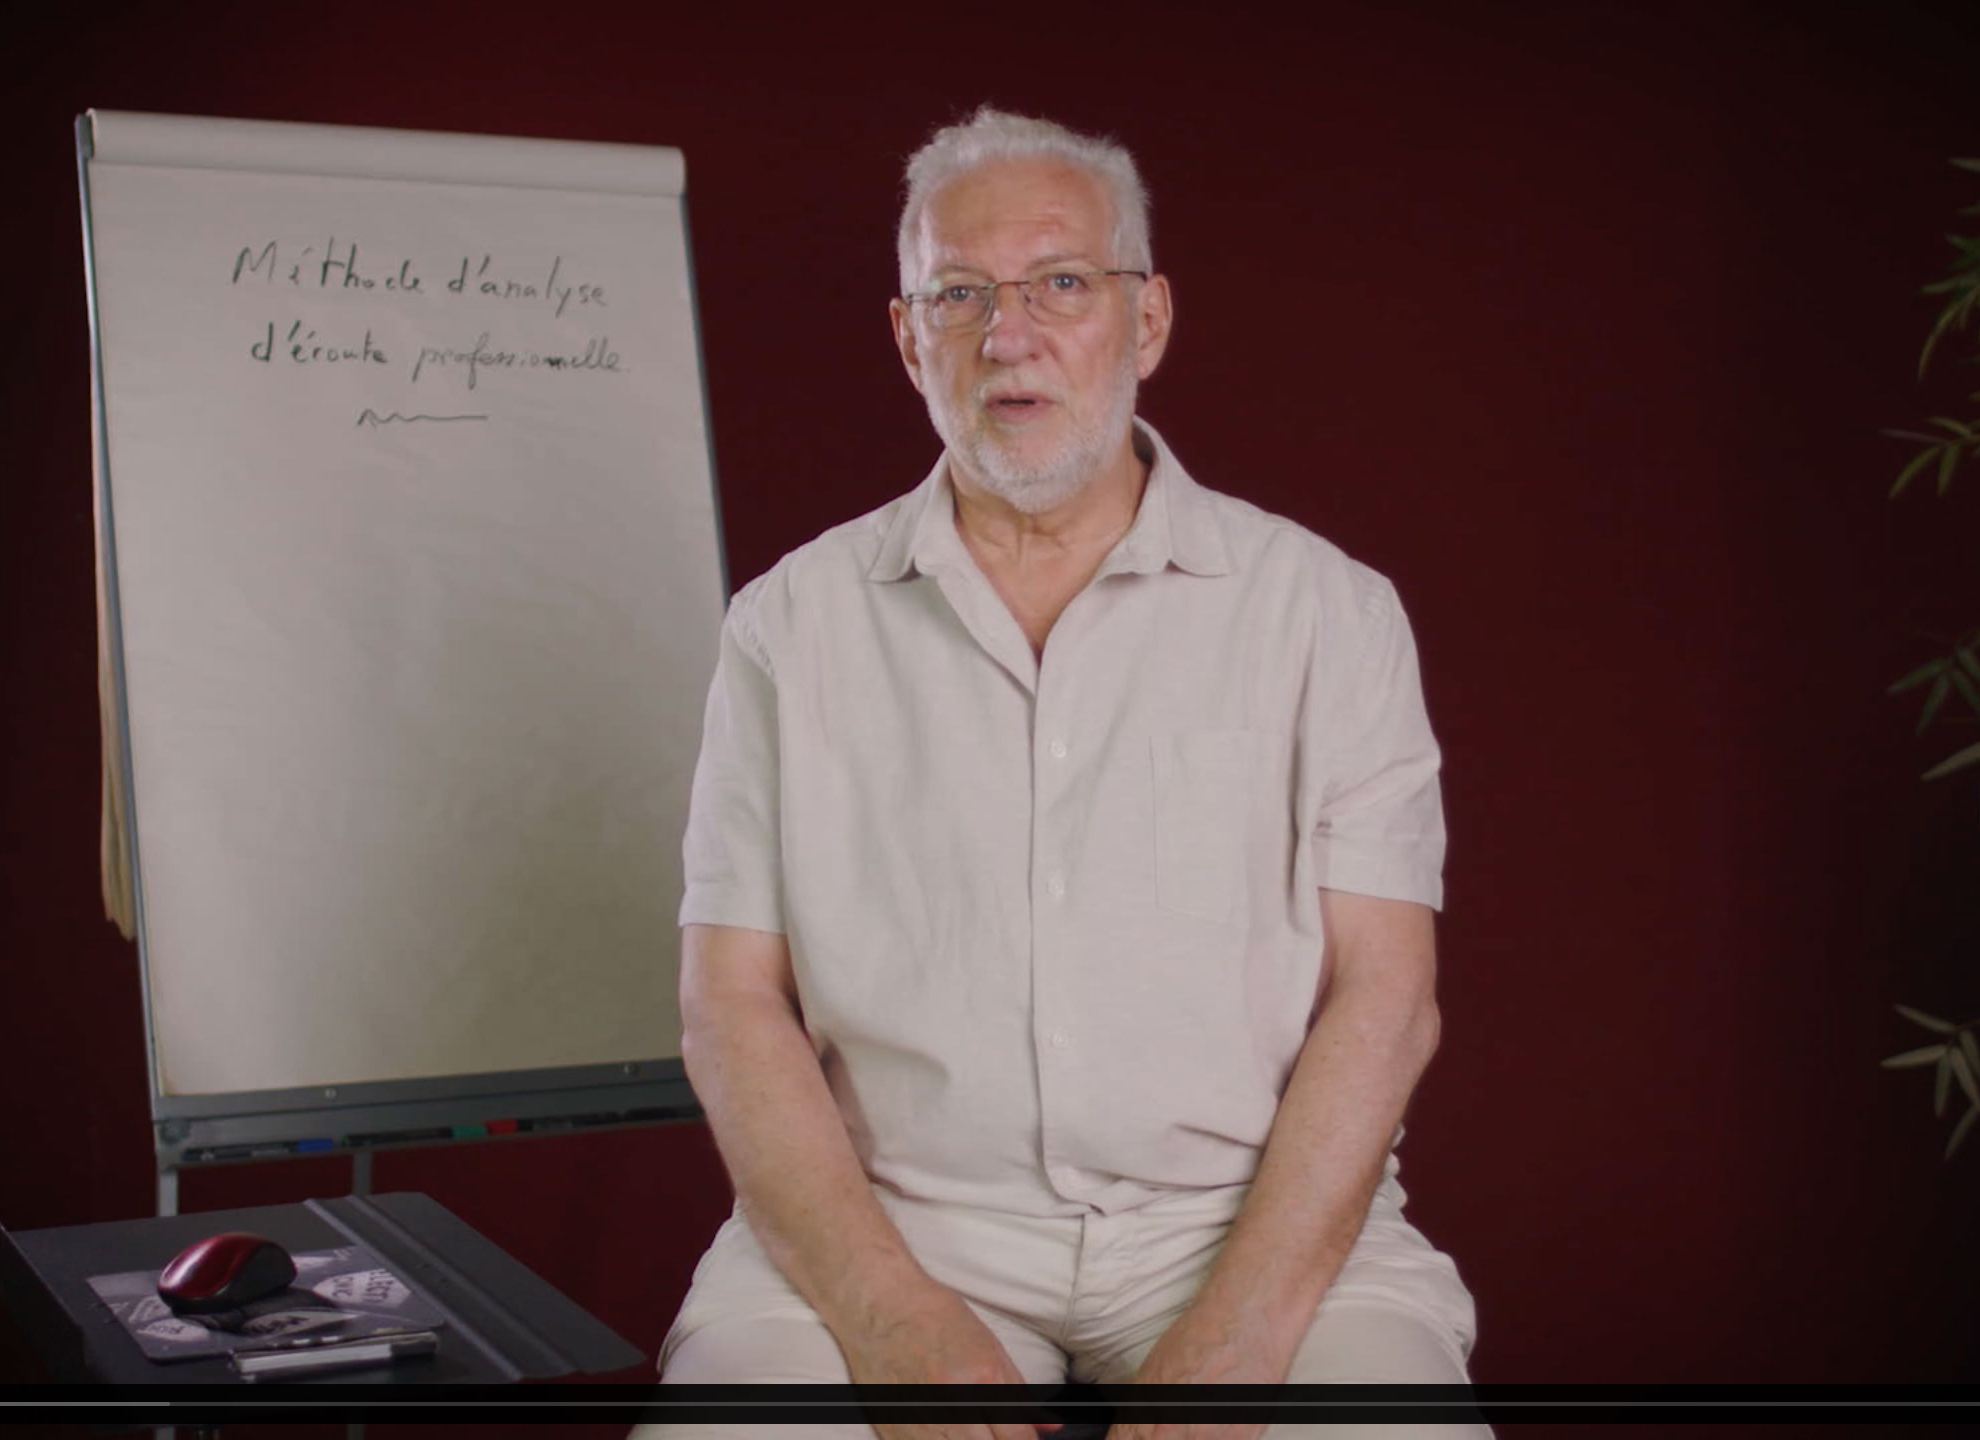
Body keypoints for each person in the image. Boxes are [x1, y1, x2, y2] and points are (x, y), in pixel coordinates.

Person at [637, 107, 1487, 1440]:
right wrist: (884, 1310)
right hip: (895, 1220)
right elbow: (730, 1003)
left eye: (1061, 284)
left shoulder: (1328, 613)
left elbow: (1387, 994)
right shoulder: (787, 628)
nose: (1008, 334)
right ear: (909, 337)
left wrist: (1244, 1329)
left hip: (1249, 1223)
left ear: (1147, 320)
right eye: (959, 294)